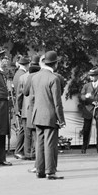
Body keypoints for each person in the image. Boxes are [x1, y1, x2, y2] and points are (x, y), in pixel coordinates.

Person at [26, 51, 65, 180]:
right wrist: (61, 119)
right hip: (50, 115)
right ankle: (50, 172)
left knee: (40, 143)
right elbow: (57, 102)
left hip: (37, 115)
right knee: (49, 144)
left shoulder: (34, 77)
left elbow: (31, 98)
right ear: (55, 63)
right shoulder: (54, 78)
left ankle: (40, 170)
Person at [79, 68, 98, 154]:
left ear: (97, 76)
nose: (91, 77)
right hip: (88, 109)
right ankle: (84, 147)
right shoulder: (86, 86)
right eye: (90, 76)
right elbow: (81, 97)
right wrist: (86, 97)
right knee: (86, 129)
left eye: (93, 76)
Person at [18, 55, 40, 160]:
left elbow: (19, 95)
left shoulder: (23, 77)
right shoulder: (40, 76)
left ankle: (27, 153)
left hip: (25, 109)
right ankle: (35, 153)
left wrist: (18, 109)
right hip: (36, 109)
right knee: (36, 133)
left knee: (27, 134)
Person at [12, 56, 30, 159]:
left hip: (20, 105)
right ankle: (19, 150)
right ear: (27, 65)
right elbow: (21, 93)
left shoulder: (17, 74)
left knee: (23, 129)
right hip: (23, 105)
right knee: (23, 129)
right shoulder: (23, 75)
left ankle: (19, 150)